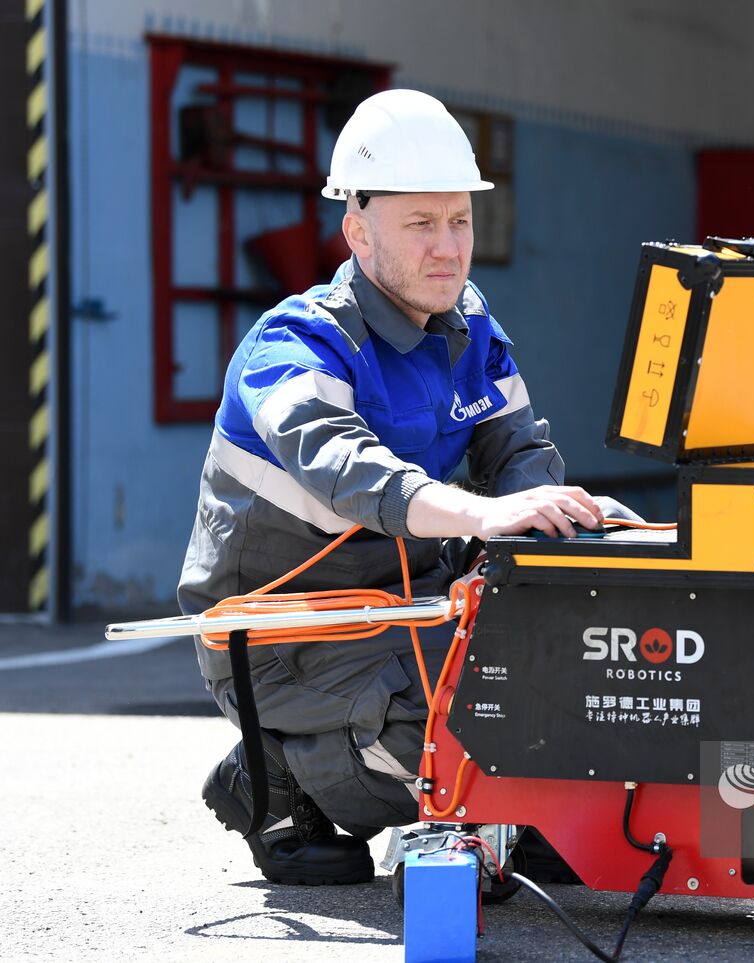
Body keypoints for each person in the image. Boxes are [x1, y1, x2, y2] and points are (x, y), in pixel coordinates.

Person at [178, 89, 634, 885]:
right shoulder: (293, 346)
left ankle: (517, 811)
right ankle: (276, 773)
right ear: (357, 231)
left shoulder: (469, 324)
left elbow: (518, 446)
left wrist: (555, 526)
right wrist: (483, 514)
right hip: (284, 636)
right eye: (420, 224)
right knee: (450, 721)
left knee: (592, 644)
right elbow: (349, 468)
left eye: (459, 220)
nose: (448, 247)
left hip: (404, 597)